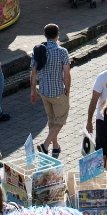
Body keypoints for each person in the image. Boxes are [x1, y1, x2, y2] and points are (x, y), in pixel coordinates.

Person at [29, 23, 73, 155]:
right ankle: (45, 145)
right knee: (60, 120)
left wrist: (33, 90)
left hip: (43, 91)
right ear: (58, 35)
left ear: (45, 35)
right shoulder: (62, 52)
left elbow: (33, 73)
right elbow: (66, 74)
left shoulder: (37, 50)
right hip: (58, 92)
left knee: (51, 119)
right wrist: (67, 89)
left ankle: (55, 146)